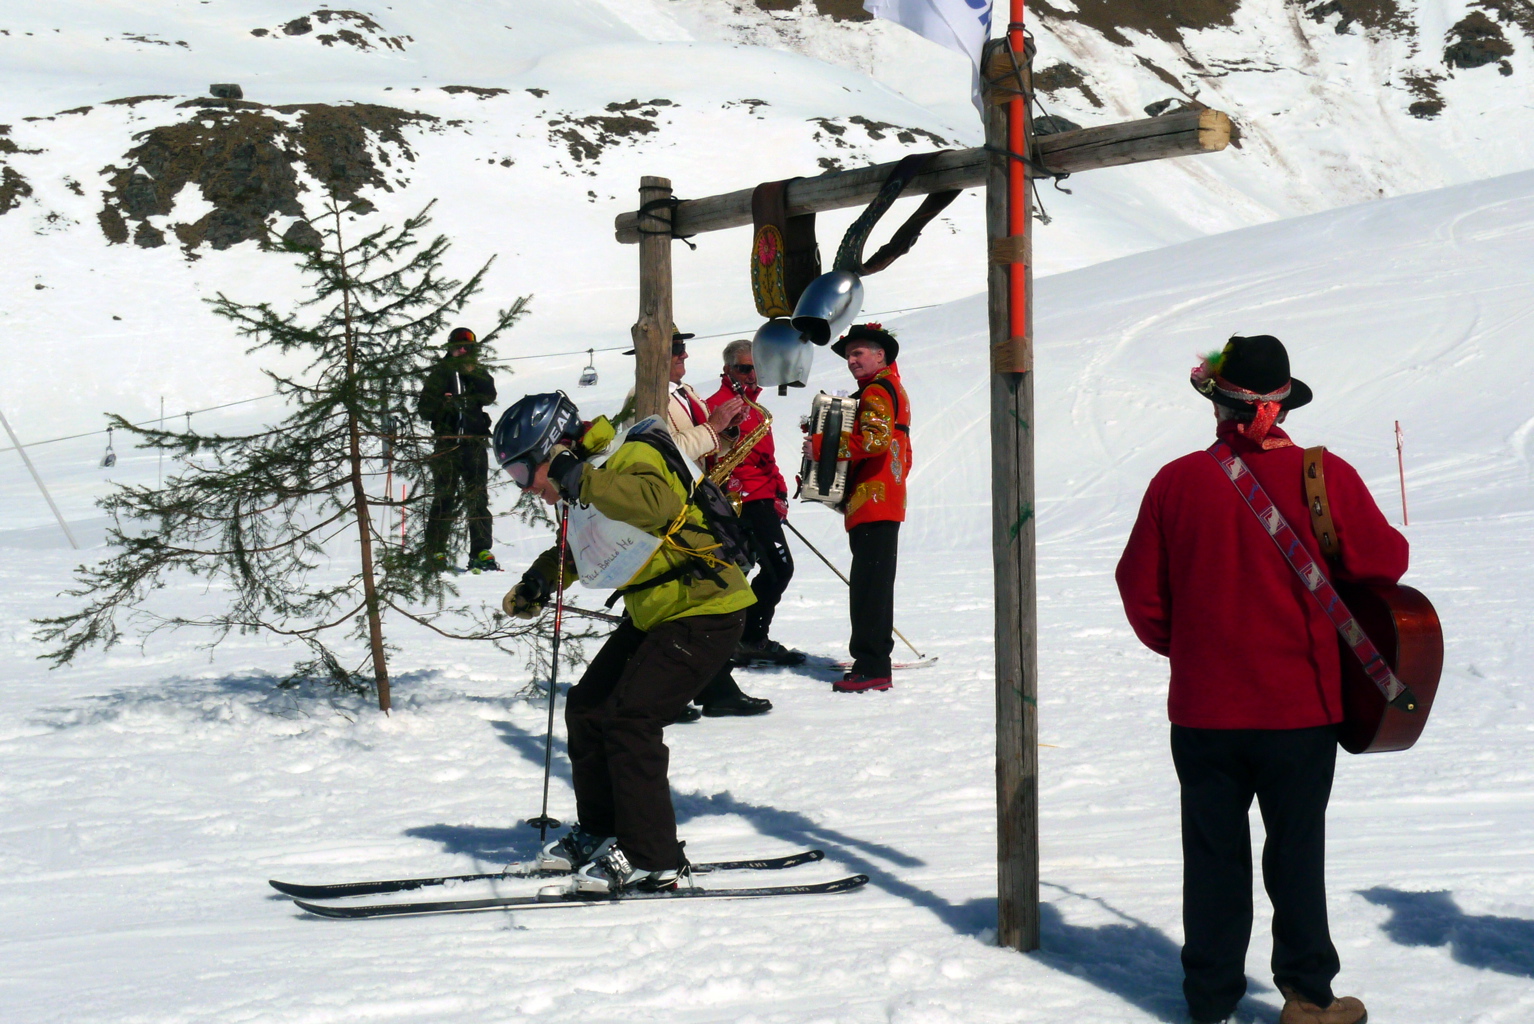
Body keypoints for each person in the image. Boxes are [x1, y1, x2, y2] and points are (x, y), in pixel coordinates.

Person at [1115, 335, 1408, 1024]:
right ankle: (1307, 996)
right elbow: (1386, 560)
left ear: (1217, 403)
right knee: (1297, 854)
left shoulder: (1174, 481)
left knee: (1213, 858)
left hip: (1203, 710)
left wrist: (1191, 651)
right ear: (1281, 403)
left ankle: (1210, 1001)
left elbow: (1139, 590)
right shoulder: (1322, 475)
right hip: (1299, 708)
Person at [495, 392, 756, 893]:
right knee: (588, 707)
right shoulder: (590, 474)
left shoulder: (630, 455)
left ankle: (653, 857)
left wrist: (579, 478)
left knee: (631, 721)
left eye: (524, 474)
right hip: (658, 612)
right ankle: (600, 830)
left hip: (705, 608)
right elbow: (590, 544)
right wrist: (539, 581)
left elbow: (657, 506)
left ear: (555, 451)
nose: (526, 488)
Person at [619, 329, 770, 718]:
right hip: (670, 510)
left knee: (696, 595)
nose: (683, 357)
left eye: (683, 350)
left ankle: (712, 687)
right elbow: (664, 456)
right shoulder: (643, 400)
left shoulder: (684, 395)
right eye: (674, 352)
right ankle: (653, 686)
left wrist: (727, 432)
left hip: (694, 504)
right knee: (677, 599)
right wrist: (713, 428)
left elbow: (702, 443)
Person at [806, 323, 911, 693]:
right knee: (872, 586)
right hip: (880, 498)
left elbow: (877, 440)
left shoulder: (878, 391)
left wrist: (822, 448)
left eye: (858, 353)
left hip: (875, 500)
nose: (851, 361)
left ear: (880, 355)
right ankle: (871, 661)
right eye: (849, 355)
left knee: (870, 588)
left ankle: (873, 666)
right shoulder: (882, 388)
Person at [704, 339, 802, 666]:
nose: (751, 375)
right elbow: (712, 457)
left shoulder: (755, 407)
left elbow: (767, 459)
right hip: (739, 501)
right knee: (766, 569)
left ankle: (746, 637)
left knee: (768, 570)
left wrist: (780, 491)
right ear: (728, 369)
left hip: (763, 499)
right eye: (744, 368)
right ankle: (746, 639)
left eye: (755, 368)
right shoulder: (719, 404)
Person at [417, 326, 499, 571]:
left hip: (474, 444)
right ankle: (436, 552)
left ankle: (481, 551)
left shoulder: (478, 372)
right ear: (450, 348)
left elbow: (489, 396)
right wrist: (444, 401)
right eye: (458, 347)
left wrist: (472, 375)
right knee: (444, 498)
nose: (462, 351)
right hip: (447, 445)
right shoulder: (439, 373)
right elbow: (424, 410)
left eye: (468, 348)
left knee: (478, 498)